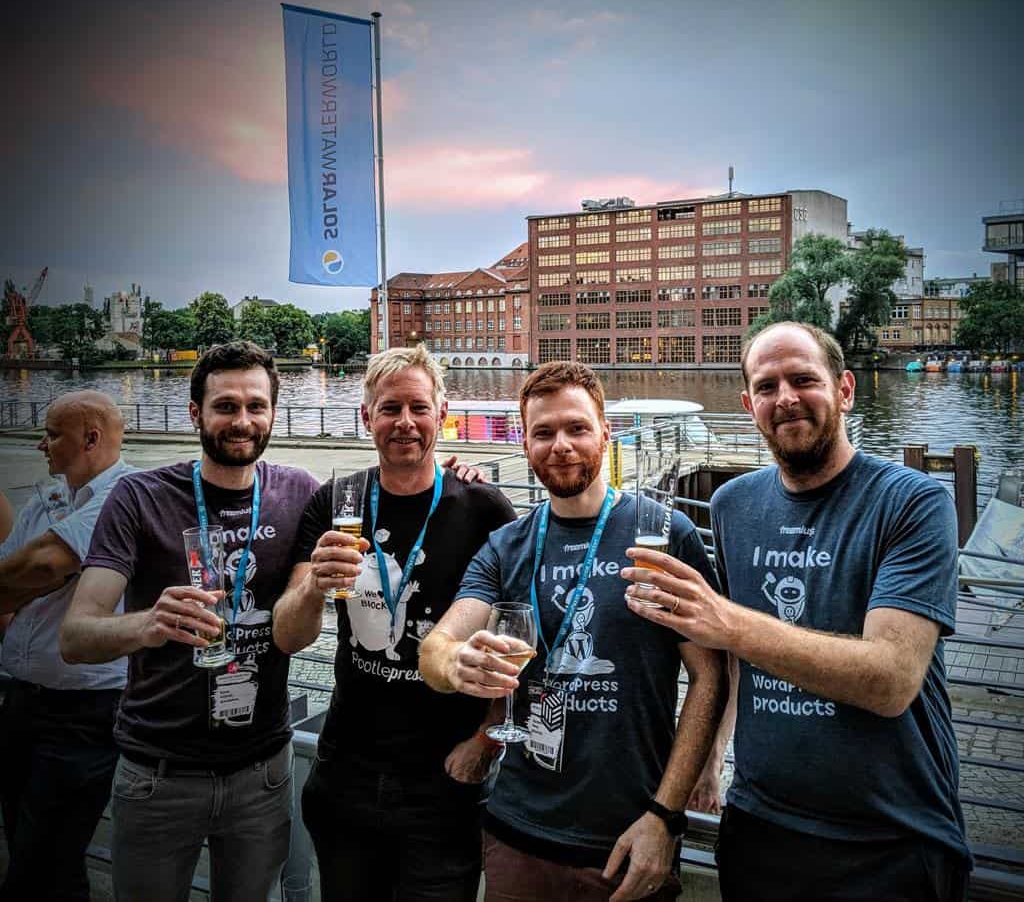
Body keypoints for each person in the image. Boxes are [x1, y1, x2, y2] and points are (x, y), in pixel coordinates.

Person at [625, 322, 972, 901]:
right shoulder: (733, 503)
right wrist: (711, 757)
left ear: (845, 389)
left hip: (893, 837)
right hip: (761, 828)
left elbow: (891, 680)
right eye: (766, 386)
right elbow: (737, 660)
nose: (785, 397)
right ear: (748, 404)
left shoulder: (913, 502)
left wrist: (725, 620)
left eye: (803, 379)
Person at [420, 361, 727, 902]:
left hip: (626, 836)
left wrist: (665, 815)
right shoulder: (506, 546)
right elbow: (437, 647)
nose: (560, 445)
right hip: (517, 831)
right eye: (543, 432)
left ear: (605, 432)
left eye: (576, 428)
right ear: (525, 444)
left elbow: (707, 677)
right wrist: (454, 665)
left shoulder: (664, 535)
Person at [60, 341, 321, 902]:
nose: (243, 420)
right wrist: (151, 623)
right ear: (194, 413)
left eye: (257, 405)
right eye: (225, 405)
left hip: (262, 770)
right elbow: (76, 636)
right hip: (158, 772)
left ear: (275, 412)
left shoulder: (299, 491)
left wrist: (456, 476)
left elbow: (299, 632)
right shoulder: (140, 496)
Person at [273, 343, 517, 902]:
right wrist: (313, 583)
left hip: (445, 779)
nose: (404, 423)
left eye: (418, 407)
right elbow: (288, 636)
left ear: (442, 413)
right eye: (389, 408)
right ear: (366, 418)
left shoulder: (483, 507)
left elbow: (522, 635)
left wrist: (486, 738)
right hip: (347, 772)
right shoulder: (335, 503)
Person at [0, 390, 132, 902]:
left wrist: (29, 580)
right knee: (38, 853)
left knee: (39, 863)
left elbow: (41, 566)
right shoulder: (49, 498)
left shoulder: (123, 496)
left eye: (53, 433)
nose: (42, 444)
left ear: (91, 438)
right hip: (24, 702)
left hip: (86, 712)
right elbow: (13, 571)